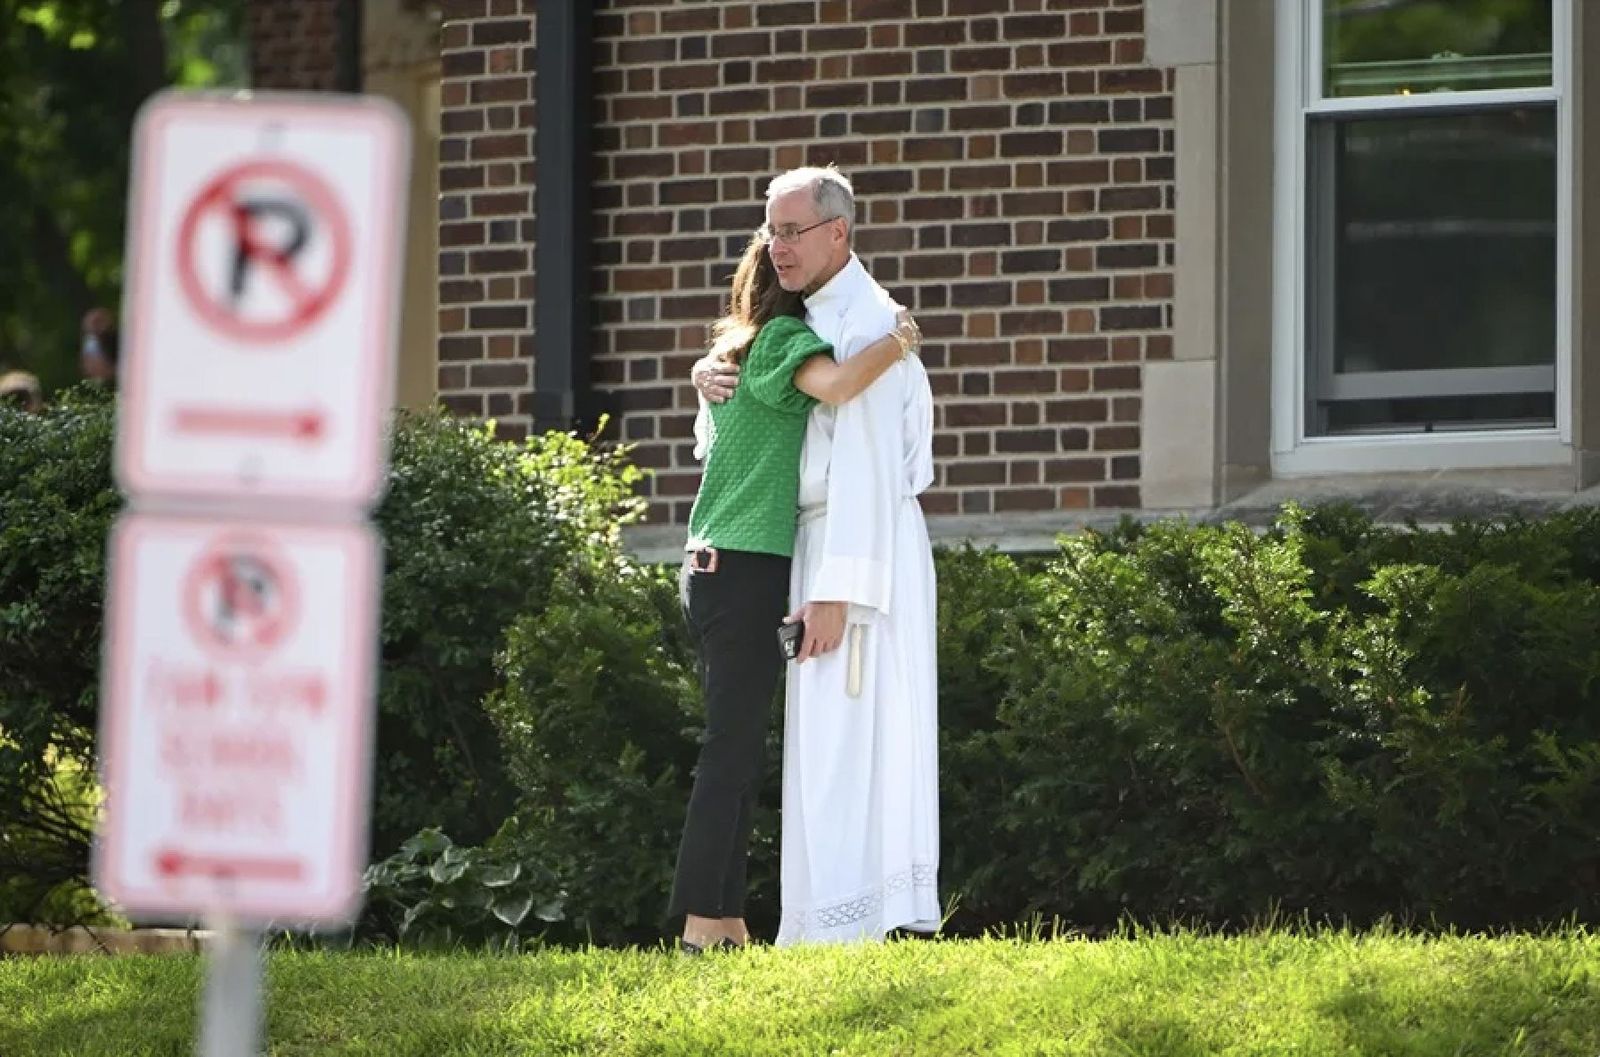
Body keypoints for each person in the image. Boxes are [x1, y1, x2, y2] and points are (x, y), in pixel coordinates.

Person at [695, 166, 941, 946]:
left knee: (848, 743)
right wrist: (706, 380)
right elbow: (730, 441)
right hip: (800, 544)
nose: (777, 246)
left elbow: (865, 458)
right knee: (821, 746)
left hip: (853, 552)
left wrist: (837, 588)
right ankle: (820, 921)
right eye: (770, 230)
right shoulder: (802, 318)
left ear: (839, 231)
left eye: (793, 230)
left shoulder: (865, 318)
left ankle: (851, 925)